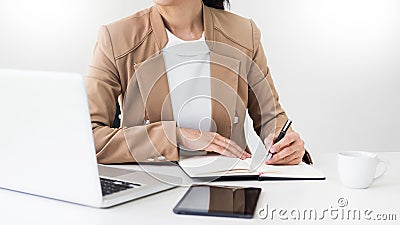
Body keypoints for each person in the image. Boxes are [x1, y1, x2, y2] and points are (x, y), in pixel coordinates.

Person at [86, 0, 312, 165]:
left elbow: (271, 117)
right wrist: (174, 136)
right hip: (148, 186)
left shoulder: (244, 33)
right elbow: (88, 137)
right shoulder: (116, 38)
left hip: (229, 184)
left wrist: (288, 145)